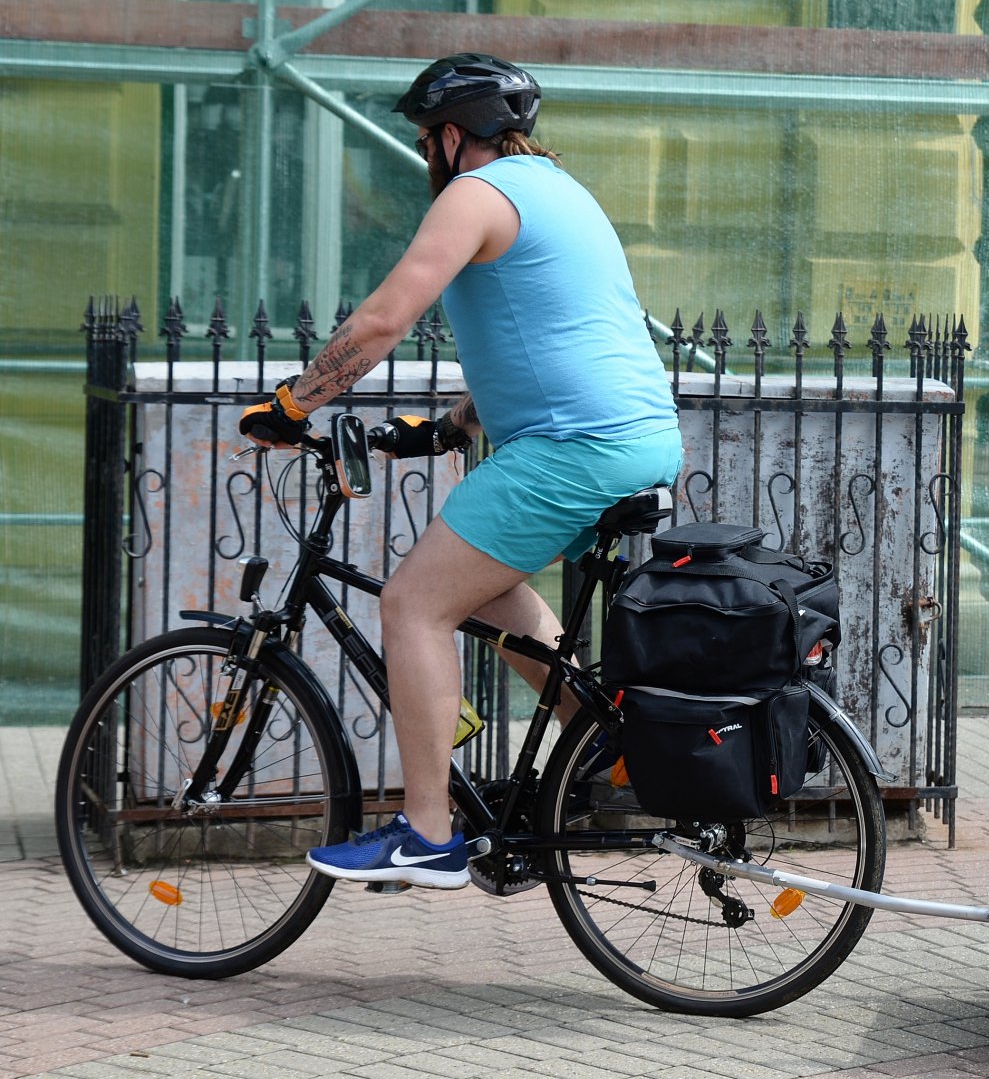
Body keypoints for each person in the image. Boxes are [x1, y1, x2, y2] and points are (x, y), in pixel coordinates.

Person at [236, 54, 683, 888]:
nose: (421, 156)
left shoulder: (475, 195)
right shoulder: (559, 191)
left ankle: (428, 832)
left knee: (412, 604)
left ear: (452, 134)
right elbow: (552, 335)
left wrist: (293, 405)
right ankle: (609, 750)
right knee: (485, 590)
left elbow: (382, 321)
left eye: (422, 138)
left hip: (571, 449)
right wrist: (448, 427)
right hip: (633, 439)